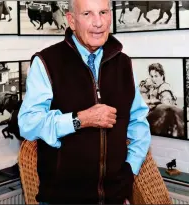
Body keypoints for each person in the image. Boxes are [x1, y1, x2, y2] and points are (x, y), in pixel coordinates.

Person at [17, 0, 151, 204]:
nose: (98, 22)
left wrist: (130, 170)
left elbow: (139, 123)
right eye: (87, 14)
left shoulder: (124, 63)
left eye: (103, 12)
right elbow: (27, 124)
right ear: (71, 20)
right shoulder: (46, 62)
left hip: (114, 197)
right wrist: (79, 119)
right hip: (63, 199)